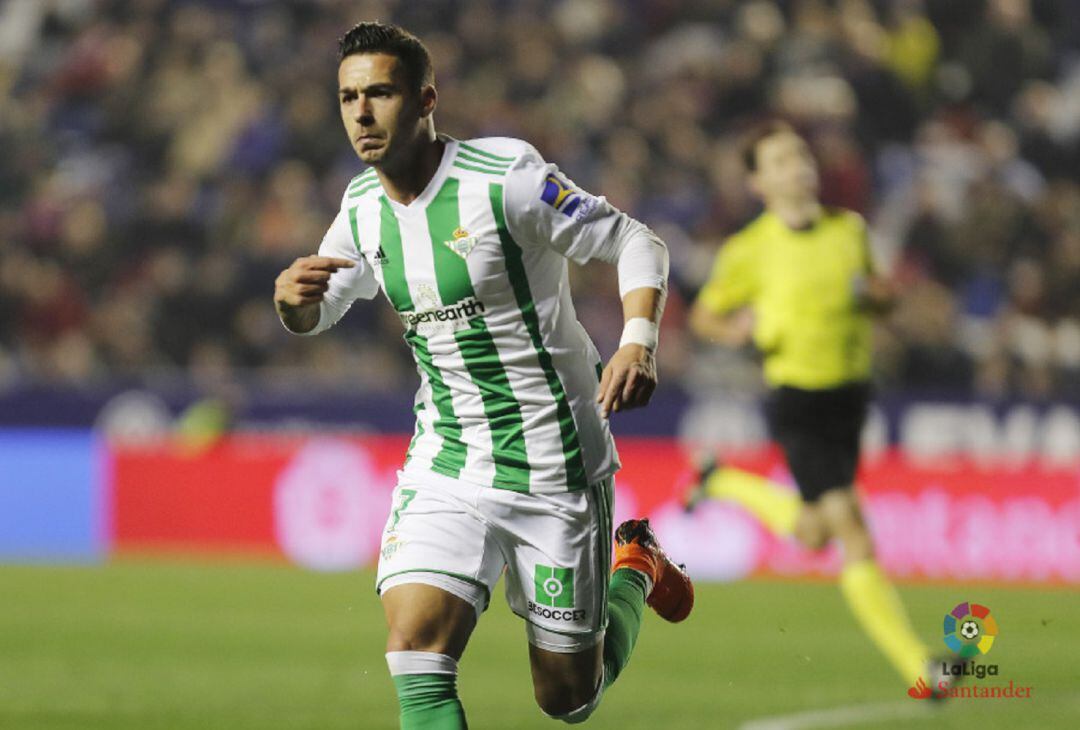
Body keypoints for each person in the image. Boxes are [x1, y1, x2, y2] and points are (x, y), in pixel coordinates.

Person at [273, 22, 693, 728]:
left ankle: (635, 565)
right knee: (414, 653)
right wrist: (290, 305)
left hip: (555, 464)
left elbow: (634, 240)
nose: (362, 112)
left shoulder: (507, 182)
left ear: (425, 98)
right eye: (349, 97)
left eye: (380, 92)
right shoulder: (361, 207)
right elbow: (321, 309)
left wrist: (638, 342)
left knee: (567, 699)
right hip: (448, 461)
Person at [685, 121, 945, 690]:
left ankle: (721, 480)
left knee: (812, 531)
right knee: (852, 529)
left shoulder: (848, 231)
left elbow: (880, 297)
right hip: (797, 399)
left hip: (850, 397)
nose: (797, 167)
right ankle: (920, 668)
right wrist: (738, 332)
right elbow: (704, 315)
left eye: (800, 155)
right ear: (758, 183)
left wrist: (882, 296)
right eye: (779, 162)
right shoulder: (748, 250)